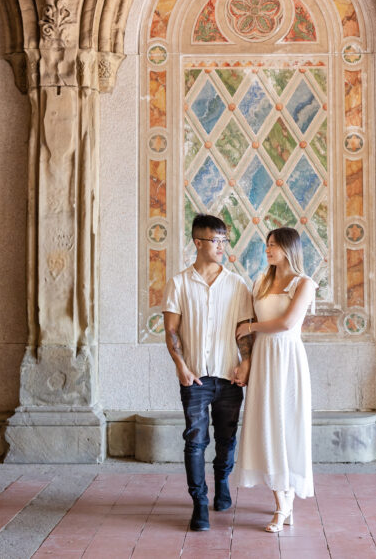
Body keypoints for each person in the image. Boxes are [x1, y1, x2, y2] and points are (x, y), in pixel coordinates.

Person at [163, 214, 254, 531]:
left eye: (224, 240)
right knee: (195, 441)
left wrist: (246, 363)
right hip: (196, 379)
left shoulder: (237, 284)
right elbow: (171, 331)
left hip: (229, 378)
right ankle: (199, 503)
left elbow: (244, 331)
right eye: (215, 240)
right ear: (198, 242)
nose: (221, 246)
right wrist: (182, 367)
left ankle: (222, 482)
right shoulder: (178, 283)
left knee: (227, 439)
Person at [234, 227, 316, 533]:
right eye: (267, 245)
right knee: (268, 426)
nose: (267, 250)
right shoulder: (261, 282)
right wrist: (247, 361)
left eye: (273, 245)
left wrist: (253, 327)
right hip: (265, 359)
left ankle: (284, 505)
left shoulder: (303, 283)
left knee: (287, 426)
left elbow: (288, 322)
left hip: (288, 360)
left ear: (288, 248)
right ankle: (283, 503)